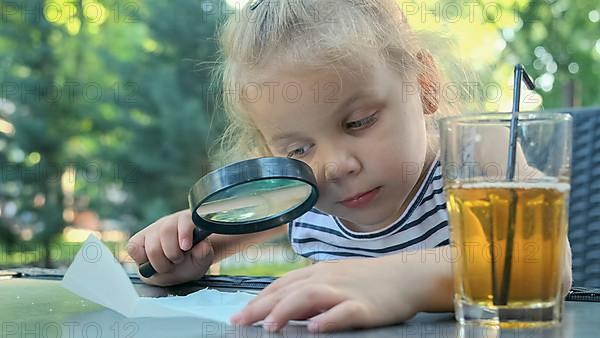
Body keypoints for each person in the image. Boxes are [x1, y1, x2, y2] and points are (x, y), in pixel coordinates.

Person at [127, 0, 573, 333]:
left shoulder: (475, 155)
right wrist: (185, 253)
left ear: (425, 85)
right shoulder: (299, 195)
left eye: (359, 122)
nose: (334, 166)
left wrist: (398, 281)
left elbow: (546, 261)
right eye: (298, 150)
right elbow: (211, 237)